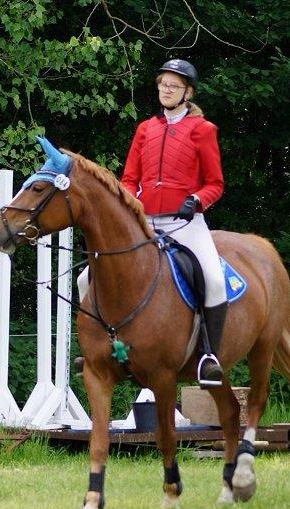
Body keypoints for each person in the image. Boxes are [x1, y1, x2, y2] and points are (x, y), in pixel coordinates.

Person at [77, 58, 228, 386]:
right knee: (86, 278)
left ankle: (208, 355)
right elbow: (129, 179)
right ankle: (97, 345)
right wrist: (126, 205)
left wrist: (197, 200)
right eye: (163, 84)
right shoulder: (145, 129)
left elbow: (215, 183)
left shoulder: (203, 130)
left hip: (186, 223)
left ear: (188, 92)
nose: (167, 89)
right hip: (145, 223)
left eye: (174, 85)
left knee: (214, 281)